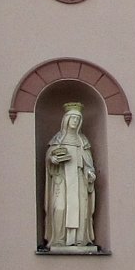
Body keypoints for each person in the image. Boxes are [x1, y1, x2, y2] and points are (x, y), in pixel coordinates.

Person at [45, 102, 97, 250]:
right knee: (60, 208)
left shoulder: (83, 141)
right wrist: (53, 160)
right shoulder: (58, 140)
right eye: (72, 118)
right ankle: (59, 239)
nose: (75, 121)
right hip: (61, 180)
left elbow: (89, 164)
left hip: (79, 181)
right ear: (66, 120)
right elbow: (49, 158)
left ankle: (80, 239)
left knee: (81, 210)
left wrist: (90, 174)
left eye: (77, 119)